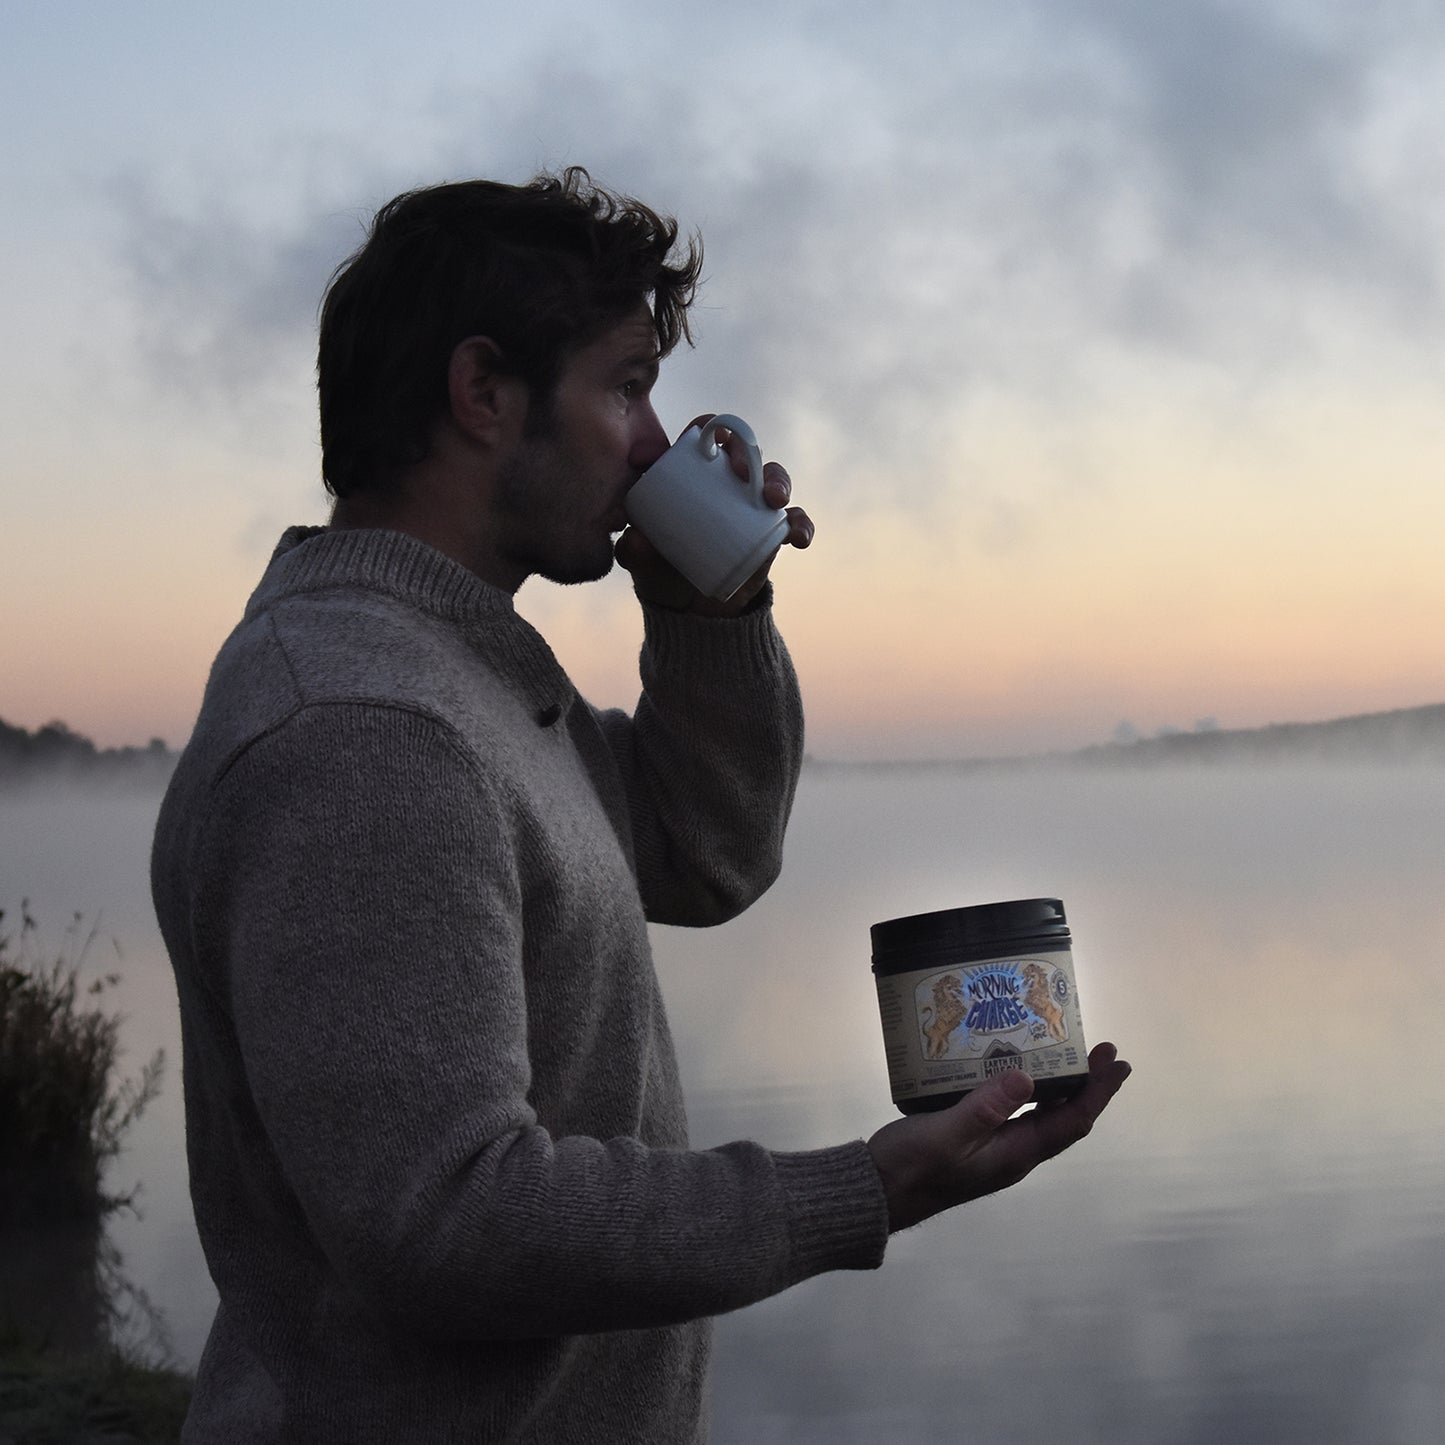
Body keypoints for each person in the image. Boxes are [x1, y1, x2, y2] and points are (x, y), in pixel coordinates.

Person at [150, 167, 1130, 1444]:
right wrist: (864, 1189)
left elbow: (702, 850)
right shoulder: (363, 731)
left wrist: (708, 606)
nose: (659, 440)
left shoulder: (458, 679)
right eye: (624, 386)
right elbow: (450, 1223)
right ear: (483, 392)